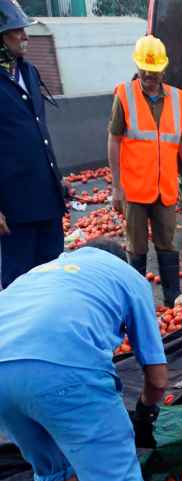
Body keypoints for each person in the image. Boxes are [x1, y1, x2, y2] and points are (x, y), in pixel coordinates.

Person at [0, 239, 168, 481]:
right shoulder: (128, 276)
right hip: (65, 369)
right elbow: (158, 378)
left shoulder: (40, 271)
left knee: (49, 468)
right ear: (121, 260)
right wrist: (146, 412)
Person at [108, 34, 182, 308]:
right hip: (135, 190)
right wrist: (116, 186)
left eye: (154, 71)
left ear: (163, 69)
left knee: (167, 244)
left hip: (165, 189)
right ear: (137, 67)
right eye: (144, 71)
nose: (149, 75)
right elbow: (114, 141)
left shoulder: (178, 98)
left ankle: (172, 301)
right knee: (136, 249)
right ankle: (138, 305)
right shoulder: (124, 95)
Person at [0, 0, 66, 289]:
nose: (25, 37)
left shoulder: (29, 73)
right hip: (15, 210)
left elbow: (40, 135)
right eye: (16, 31)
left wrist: (57, 180)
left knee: (53, 276)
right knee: (21, 285)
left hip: (48, 201)